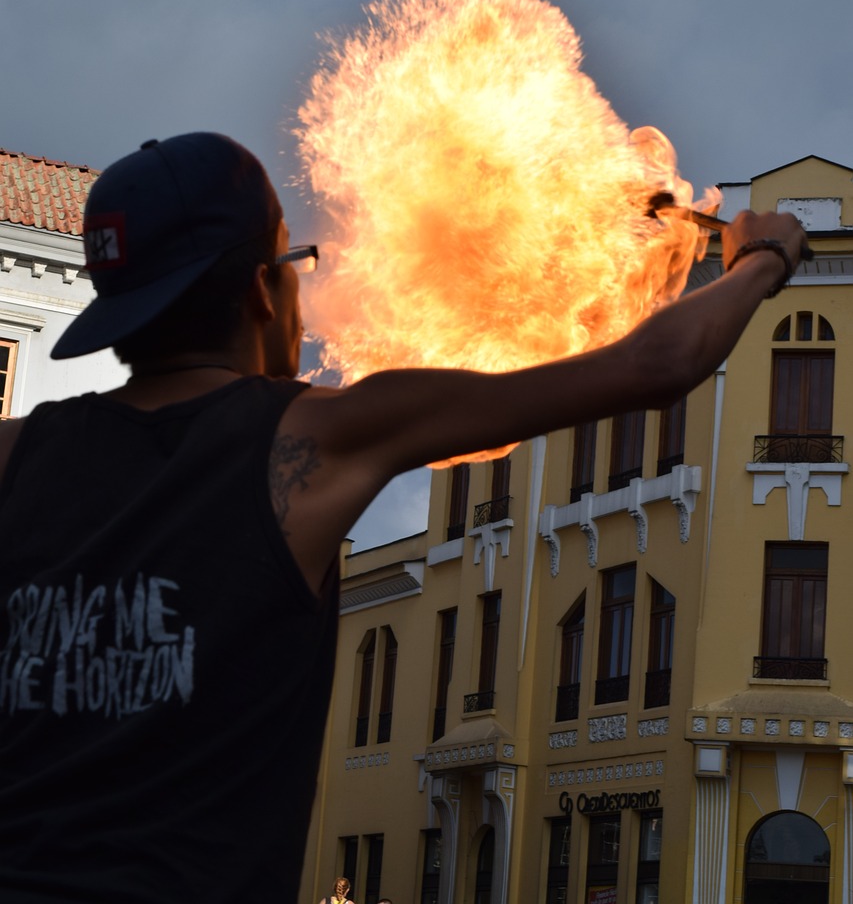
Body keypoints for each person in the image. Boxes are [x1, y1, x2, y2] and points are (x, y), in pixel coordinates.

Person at [0, 132, 807, 904]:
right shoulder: (312, 436)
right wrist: (760, 259)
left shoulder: (13, 457)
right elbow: (655, 365)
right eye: (293, 261)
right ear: (260, 287)